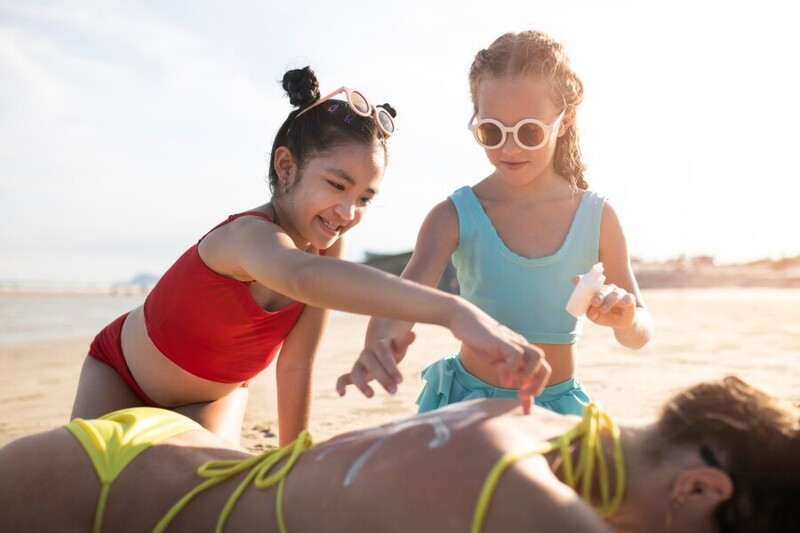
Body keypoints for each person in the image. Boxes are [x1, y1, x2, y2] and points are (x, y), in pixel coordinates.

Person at [70, 66, 550, 446]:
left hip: (210, 399)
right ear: (286, 165)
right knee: (85, 493)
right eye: (337, 185)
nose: (347, 211)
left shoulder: (327, 247)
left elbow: (296, 365)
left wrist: (293, 454)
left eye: (363, 198)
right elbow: (300, 276)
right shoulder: (247, 238)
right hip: (122, 376)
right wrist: (453, 310)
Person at [2, 376, 797, 532]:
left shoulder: (542, 419)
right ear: (697, 487)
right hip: (108, 496)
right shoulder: (535, 501)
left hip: (161, 450)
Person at [337, 30, 653, 416]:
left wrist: (626, 318)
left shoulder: (597, 217)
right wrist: (379, 346)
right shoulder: (452, 215)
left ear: (565, 120)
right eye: (491, 132)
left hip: (557, 409)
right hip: (468, 407)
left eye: (529, 132)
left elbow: (638, 334)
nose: (508, 148)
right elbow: (400, 303)